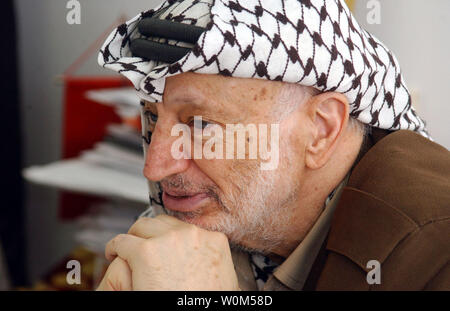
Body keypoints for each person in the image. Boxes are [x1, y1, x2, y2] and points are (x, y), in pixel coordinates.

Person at [96, 0, 449, 290]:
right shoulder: (240, 222)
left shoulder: (436, 257)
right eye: (154, 119)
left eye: (200, 124)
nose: (155, 167)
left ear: (320, 130)